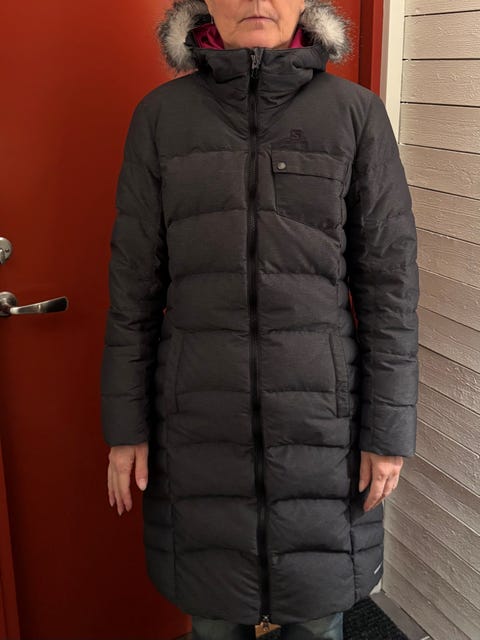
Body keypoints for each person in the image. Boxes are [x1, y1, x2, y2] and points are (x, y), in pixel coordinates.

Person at [100, 1, 419, 639]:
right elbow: (133, 288)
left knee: (317, 622)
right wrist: (125, 427)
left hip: (323, 430)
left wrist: (388, 433)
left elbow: (389, 289)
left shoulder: (355, 115)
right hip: (197, 428)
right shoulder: (161, 118)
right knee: (214, 623)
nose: (256, 1)